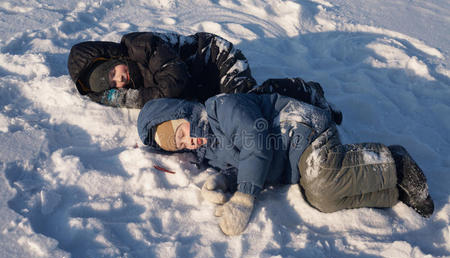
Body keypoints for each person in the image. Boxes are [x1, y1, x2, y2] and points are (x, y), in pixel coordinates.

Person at [137, 93, 434, 236]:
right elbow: (241, 165)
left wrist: (244, 197)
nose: (186, 142)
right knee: (322, 198)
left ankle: (393, 161)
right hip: (296, 162)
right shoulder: (209, 155)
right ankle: (394, 186)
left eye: (180, 133)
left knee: (323, 179)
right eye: (178, 145)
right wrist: (224, 182)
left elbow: (256, 139)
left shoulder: (221, 108)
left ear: (182, 116)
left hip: (301, 131)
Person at [67, 31, 343, 124]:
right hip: (204, 89)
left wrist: (138, 98)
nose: (120, 80)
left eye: (113, 72)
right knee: (235, 115)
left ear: (113, 58)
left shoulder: (141, 44)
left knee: (248, 101)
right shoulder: (128, 82)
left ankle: (304, 92)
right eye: (113, 85)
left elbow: (175, 82)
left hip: (217, 61)